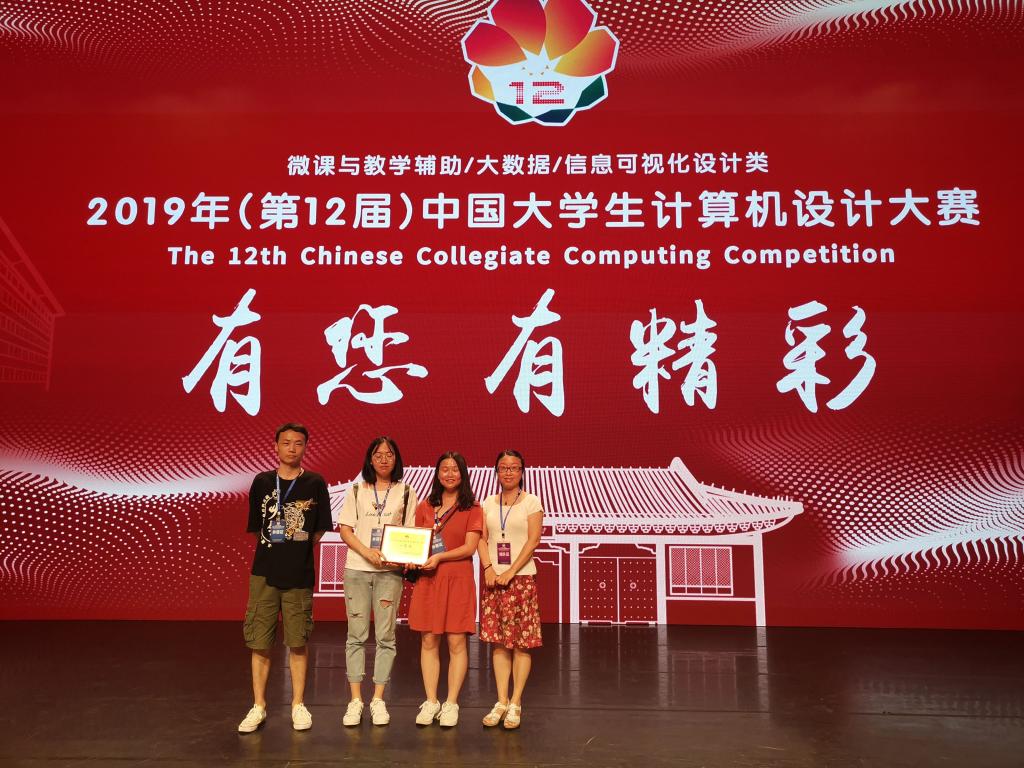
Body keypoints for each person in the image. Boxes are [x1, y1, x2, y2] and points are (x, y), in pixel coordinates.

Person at [238, 423, 333, 733]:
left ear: (305, 447)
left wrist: (295, 548)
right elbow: (256, 528)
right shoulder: (262, 481)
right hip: (264, 573)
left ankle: (298, 704)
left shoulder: (315, 483)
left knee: (298, 642)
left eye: (298, 443)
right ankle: (258, 706)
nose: (292, 448)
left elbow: (319, 528)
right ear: (275, 446)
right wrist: (276, 548)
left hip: (299, 574)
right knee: (259, 642)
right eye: (286, 442)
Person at [337, 436, 417, 727]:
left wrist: (408, 556)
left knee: (386, 637)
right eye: (378, 454)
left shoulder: (406, 491)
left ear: (396, 459)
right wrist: (367, 553)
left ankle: (378, 699)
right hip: (357, 569)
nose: (384, 459)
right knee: (355, 635)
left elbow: (410, 532)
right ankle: (355, 700)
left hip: (389, 573)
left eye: (389, 454)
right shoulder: (356, 489)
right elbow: (345, 529)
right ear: (370, 459)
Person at [407, 451, 483, 727]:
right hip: (429, 580)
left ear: (463, 474)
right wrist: (411, 559)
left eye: (454, 469)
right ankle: (431, 701)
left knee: (456, 642)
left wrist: (440, 557)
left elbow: (470, 547)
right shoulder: (425, 506)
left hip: (458, 580)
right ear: (437, 474)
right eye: (444, 469)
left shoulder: (473, 507)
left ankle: (451, 703)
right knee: (428, 641)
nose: (449, 474)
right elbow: (416, 541)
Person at [477, 450, 543, 730]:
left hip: (521, 579)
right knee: (499, 642)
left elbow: (533, 540)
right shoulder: (487, 503)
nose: (508, 472)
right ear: (496, 472)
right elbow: (481, 538)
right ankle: (501, 700)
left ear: (521, 472)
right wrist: (488, 568)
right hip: (494, 580)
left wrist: (511, 571)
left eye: (514, 467)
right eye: (503, 467)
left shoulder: (531, 502)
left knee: (521, 642)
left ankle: (516, 702)